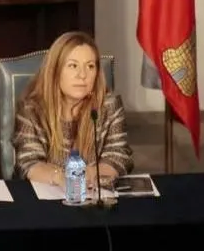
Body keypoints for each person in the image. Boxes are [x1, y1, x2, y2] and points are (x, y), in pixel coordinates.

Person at [13, 31, 133, 186]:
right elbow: (28, 162)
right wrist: (60, 178)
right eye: (73, 65)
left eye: (90, 66)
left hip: (92, 194)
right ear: (55, 71)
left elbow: (118, 157)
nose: (82, 75)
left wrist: (89, 175)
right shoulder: (32, 109)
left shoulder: (109, 106)